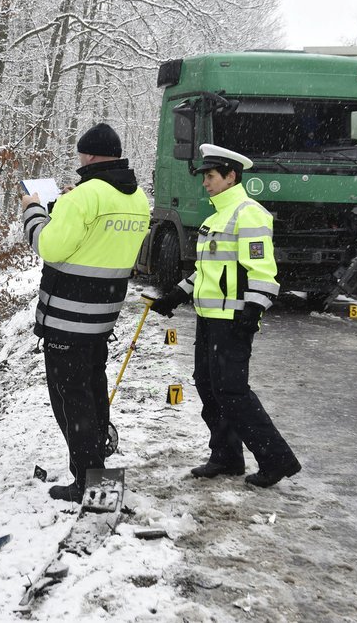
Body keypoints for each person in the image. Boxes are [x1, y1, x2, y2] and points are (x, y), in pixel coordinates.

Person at [150, 144, 301, 488]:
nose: (205, 182)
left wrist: (252, 310)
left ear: (231, 176)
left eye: (211, 176)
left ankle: (276, 459)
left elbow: (263, 271)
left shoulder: (248, 214)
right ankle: (226, 456)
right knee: (208, 385)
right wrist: (177, 294)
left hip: (233, 321)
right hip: (209, 318)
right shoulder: (214, 218)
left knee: (232, 391)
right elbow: (207, 272)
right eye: (205, 176)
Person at [20, 123, 151, 502]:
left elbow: (51, 246)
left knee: (69, 397)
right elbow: (100, 241)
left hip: (67, 316)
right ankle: (98, 464)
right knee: (92, 390)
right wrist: (67, 208)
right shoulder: (136, 197)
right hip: (103, 314)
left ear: (89, 156)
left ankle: (87, 482)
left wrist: (33, 212)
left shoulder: (84, 197)